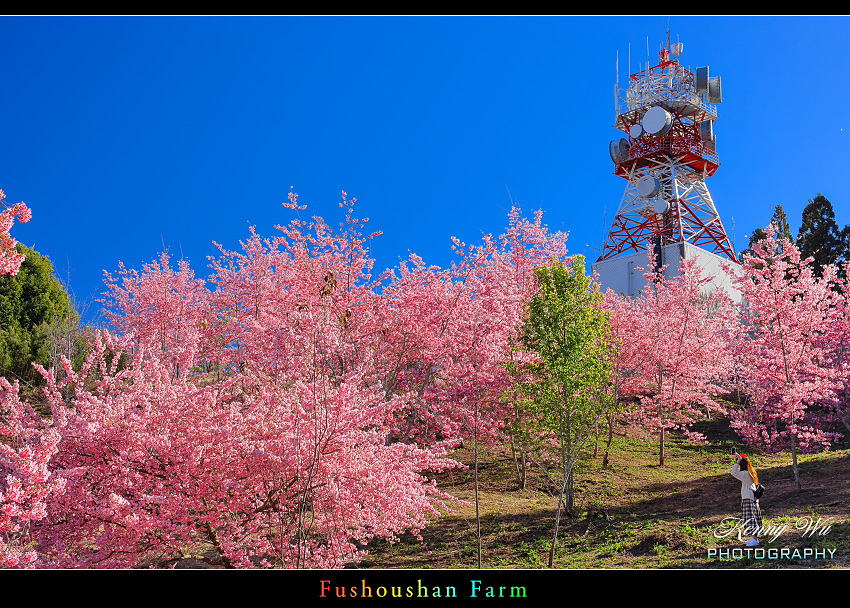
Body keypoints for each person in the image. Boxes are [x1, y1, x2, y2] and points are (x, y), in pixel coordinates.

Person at [731, 453, 762, 547]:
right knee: (754, 518)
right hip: (752, 498)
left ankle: (753, 539)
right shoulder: (751, 472)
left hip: (748, 498)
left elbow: (733, 472)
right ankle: (754, 539)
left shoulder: (745, 473)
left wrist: (737, 461)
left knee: (750, 519)